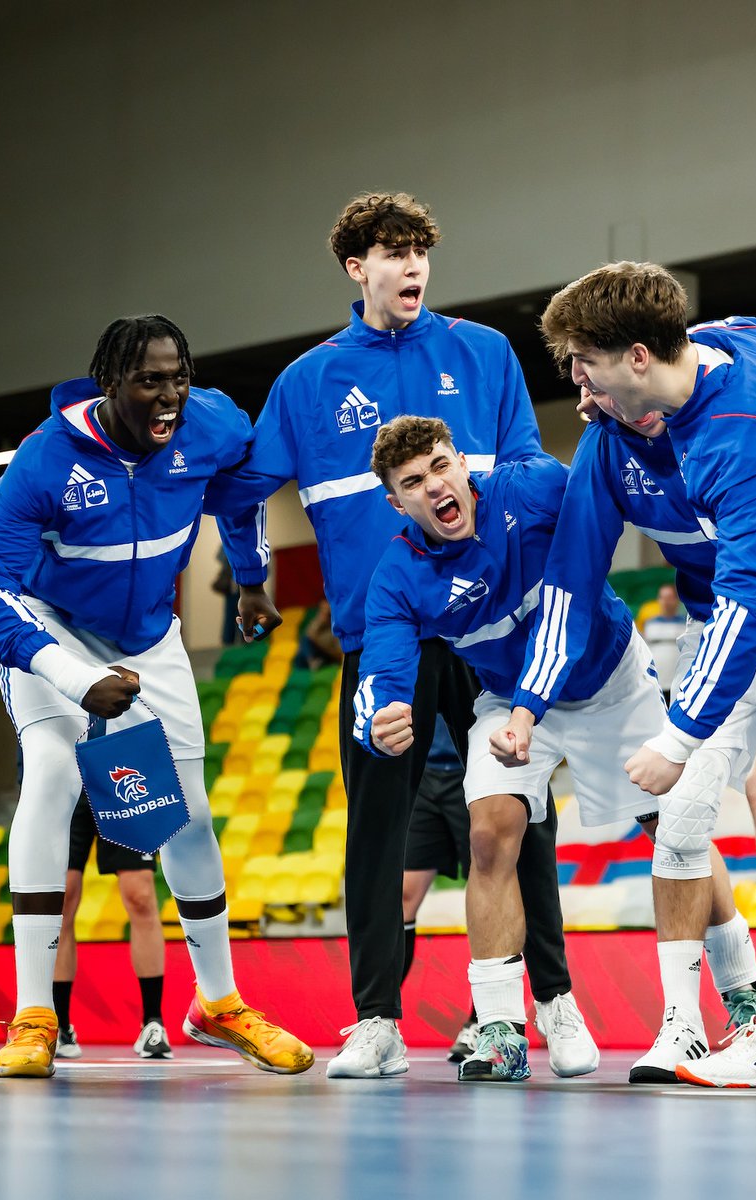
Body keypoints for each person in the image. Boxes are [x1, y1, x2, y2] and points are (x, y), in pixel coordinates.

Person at [211, 192, 591, 1080]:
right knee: (376, 835)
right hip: (381, 643)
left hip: (490, 635)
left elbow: (531, 466)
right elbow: (240, 490)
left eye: (420, 250)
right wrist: (254, 576)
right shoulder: (307, 384)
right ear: (357, 269)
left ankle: (556, 1005)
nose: (412, 266)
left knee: (520, 822)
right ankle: (376, 1021)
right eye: (392, 253)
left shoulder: (484, 354)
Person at [0, 314, 313, 1079]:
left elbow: (240, 488)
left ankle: (217, 1004)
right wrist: (74, 676)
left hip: (151, 640)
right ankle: (33, 1015)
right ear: (109, 381)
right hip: (56, 636)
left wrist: (250, 579)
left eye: (178, 378)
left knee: (186, 811)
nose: (169, 398)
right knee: (53, 774)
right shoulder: (44, 461)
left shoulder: (210, 422)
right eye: (150, 381)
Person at [539, 262, 756, 1088]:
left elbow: (746, 601)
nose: (582, 398)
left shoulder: (750, 435)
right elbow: (748, 328)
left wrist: (676, 734)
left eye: (587, 374)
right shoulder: (714, 346)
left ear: (636, 357)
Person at [353, 415, 680, 1082]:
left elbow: (622, 497)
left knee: (675, 830)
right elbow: (381, 676)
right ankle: (500, 1031)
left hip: (608, 677)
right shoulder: (396, 575)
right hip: (511, 702)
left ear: (461, 465)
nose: (433, 487)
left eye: (440, 466)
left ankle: (740, 992)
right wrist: (379, 719)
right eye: (412, 482)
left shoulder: (532, 487)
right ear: (396, 501)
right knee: (490, 831)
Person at [53, 792, 171, 1060]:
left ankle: (153, 1022)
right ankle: (59, 1024)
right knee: (62, 897)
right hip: (67, 774)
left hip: (116, 769)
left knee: (140, 894)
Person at [400, 716, 477, 1063]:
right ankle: (381, 1018)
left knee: (488, 893)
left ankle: (483, 1020)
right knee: (403, 897)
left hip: (474, 768)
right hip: (424, 773)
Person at [639, 584, 687, 702]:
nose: (666, 602)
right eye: (663, 597)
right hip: (656, 682)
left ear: (677, 600)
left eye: (670, 598)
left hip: (680, 681)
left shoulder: (686, 624)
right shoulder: (649, 624)